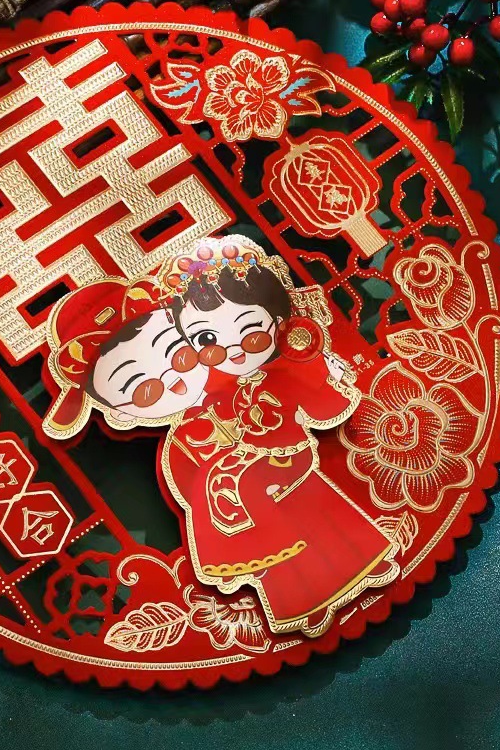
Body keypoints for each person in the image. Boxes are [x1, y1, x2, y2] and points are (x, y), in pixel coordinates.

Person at [158, 236, 399, 637]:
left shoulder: (289, 370)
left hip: (291, 454)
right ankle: (300, 596)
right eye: (207, 340)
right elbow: (213, 427)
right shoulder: (218, 391)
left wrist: (331, 377)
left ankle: (273, 558)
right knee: (224, 484)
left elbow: (325, 408)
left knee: (242, 487)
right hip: (260, 456)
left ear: (278, 322)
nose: (232, 349)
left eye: (249, 330)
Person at [42, 276, 209, 439]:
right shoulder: (180, 448)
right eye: (146, 391)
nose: (176, 384)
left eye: (181, 357)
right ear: (121, 415)